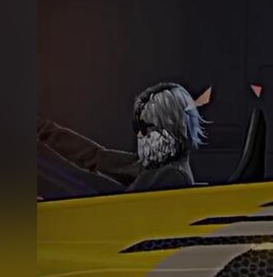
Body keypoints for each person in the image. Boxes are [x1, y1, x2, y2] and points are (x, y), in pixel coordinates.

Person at [37, 82, 208, 194]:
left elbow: (123, 217)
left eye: (148, 127)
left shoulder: (172, 175)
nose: (140, 135)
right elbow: (95, 157)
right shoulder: (153, 167)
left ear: (173, 127)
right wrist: (43, 129)